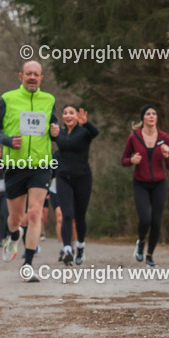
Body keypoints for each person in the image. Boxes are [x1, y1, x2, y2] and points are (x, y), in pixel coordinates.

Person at [0, 60, 57, 281]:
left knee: (35, 213)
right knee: (15, 219)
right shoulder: (8, 99)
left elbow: (53, 127)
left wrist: (56, 130)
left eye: (36, 74)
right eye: (29, 74)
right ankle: (14, 235)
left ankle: (28, 266)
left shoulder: (49, 100)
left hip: (41, 165)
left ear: (41, 77)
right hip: (15, 166)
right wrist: (7, 140)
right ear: (21, 76)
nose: (32, 77)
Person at [121, 105, 169, 267]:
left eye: (154, 114)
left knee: (156, 221)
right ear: (143, 118)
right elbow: (124, 160)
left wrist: (167, 155)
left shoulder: (164, 137)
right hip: (140, 183)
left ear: (156, 118)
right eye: (148, 114)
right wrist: (132, 161)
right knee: (145, 219)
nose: (151, 116)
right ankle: (141, 242)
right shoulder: (134, 137)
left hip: (159, 184)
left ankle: (149, 255)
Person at [53, 105, 98, 265]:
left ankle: (80, 246)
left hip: (83, 178)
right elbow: (49, 138)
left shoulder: (84, 132)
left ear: (76, 116)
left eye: (71, 113)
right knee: (66, 214)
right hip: (63, 177)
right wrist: (52, 134)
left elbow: (95, 133)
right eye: (65, 113)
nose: (67, 115)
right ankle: (67, 249)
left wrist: (86, 123)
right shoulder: (59, 133)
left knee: (79, 216)